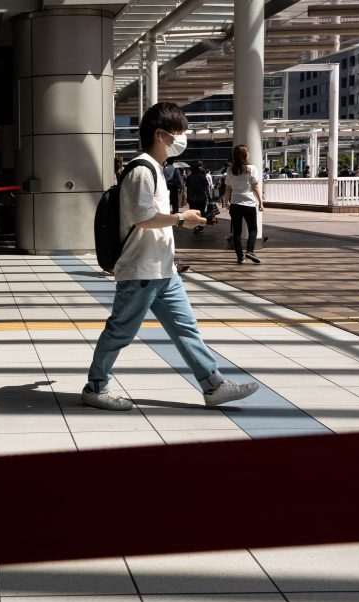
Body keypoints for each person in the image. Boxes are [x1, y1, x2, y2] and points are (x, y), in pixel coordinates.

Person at [81, 102, 260, 412]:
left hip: (162, 268)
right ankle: (95, 387)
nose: (184, 137)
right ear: (160, 134)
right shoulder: (142, 169)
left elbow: (152, 218)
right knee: (121, 330)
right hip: (141, 270)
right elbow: (142, 217)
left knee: (185, 328)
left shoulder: (156, 169)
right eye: (179, 132)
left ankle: (213, 385)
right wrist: (181, 218)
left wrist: (182, 222)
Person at [224, 144, 264, 265]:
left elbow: (227, 189)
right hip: (249, 203)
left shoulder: (230, 170)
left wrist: (227, 202)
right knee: (253, 229)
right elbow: (255, 187)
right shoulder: (251, 168)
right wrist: (261, 202)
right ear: (245, 155)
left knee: (237, 231)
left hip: (235, 203)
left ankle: (240, 257)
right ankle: (250, 251)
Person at [185, 160, 212, 235]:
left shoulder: (189, 177)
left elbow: (187, 188)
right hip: (202, 198)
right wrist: (209, 196)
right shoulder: (202, 177)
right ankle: (200, 227)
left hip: (192, 198)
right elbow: (207, 188)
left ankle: (195, 226)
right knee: (201, 212)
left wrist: (187, 197)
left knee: (193, 213)